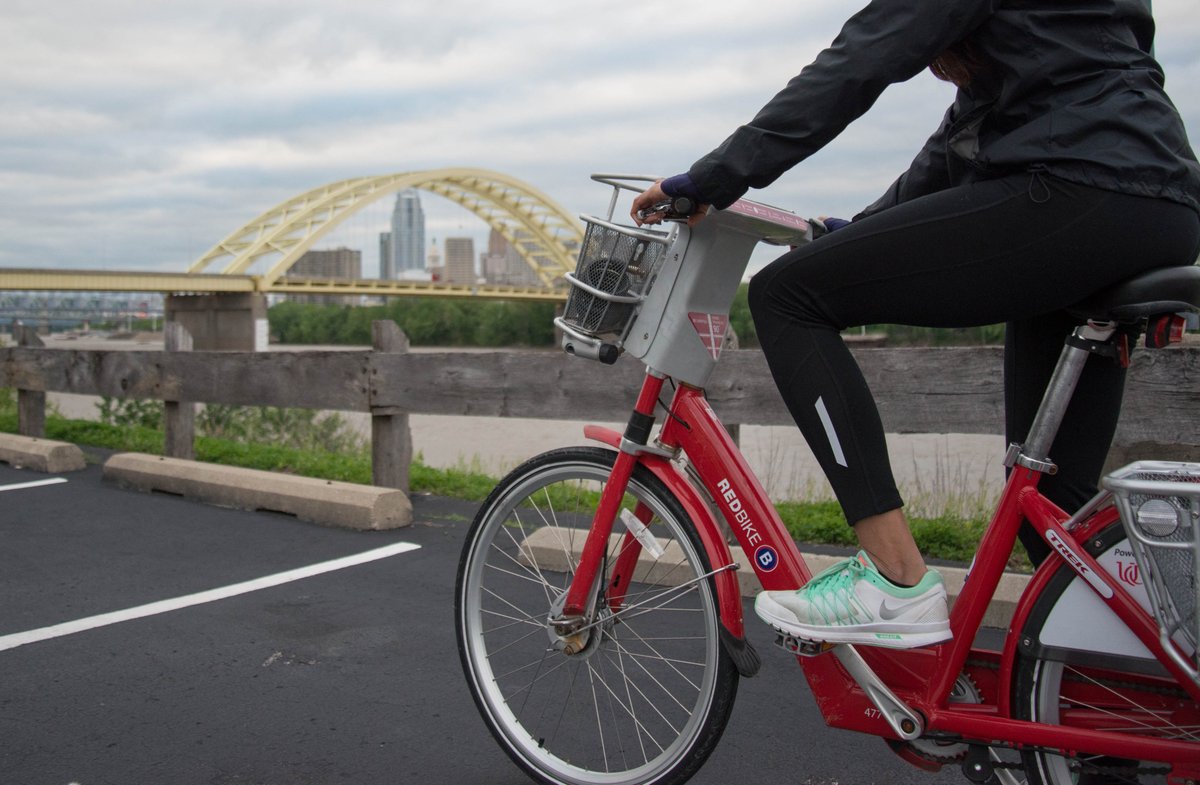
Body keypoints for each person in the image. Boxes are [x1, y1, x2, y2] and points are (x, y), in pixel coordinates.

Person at [632, 0, 1200, 649]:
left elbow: (862, 58)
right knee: (1052, 507)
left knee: (787, 296)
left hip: (1076, 190)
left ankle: (895, 579)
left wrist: (711, 178)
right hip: (1155, 207)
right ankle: (1104, 710)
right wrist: (860, 227)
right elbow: (974, 124)